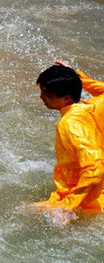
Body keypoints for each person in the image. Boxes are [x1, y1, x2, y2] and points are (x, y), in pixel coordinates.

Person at [34, 65, 104, 224]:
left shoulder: (70, 125)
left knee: (21, 212)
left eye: (48, 94)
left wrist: (67, 207)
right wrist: (78, 77)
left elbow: (95, 169)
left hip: (82, 200)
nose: (41, 97)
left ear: (67, 98)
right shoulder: (94, 106)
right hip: (97, 192)